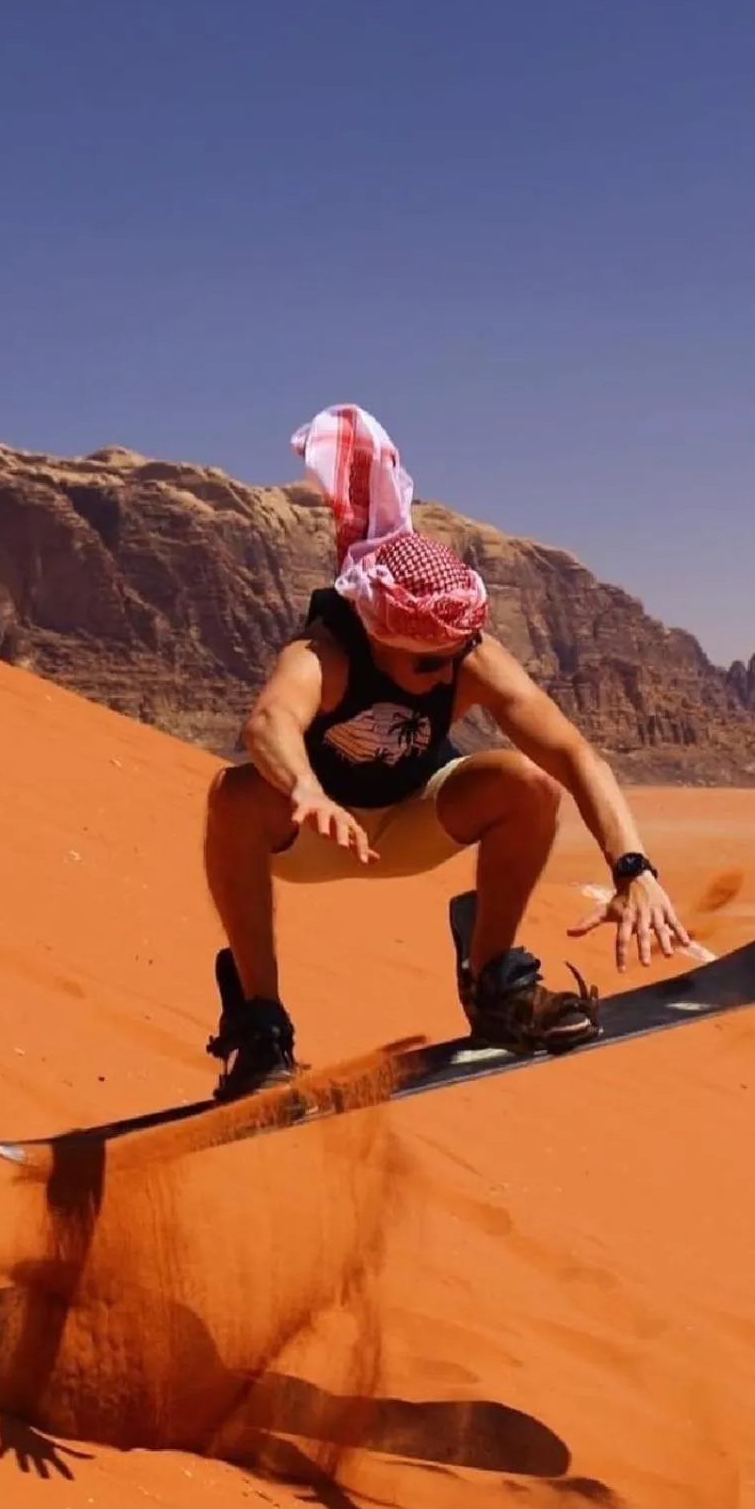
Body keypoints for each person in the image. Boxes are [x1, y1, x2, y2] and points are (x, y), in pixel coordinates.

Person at [201, 403, 691, 1101]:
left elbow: (574, 754)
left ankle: (494, 984)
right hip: (314, 832)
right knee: (232, 796)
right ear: (380, 637)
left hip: (414, 820)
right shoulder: (324, 654)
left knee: (529, 784)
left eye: (455, 656)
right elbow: (270, 721)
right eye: (427, 664)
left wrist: (632, 865)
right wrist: (305, 789)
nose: (446, 675)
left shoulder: (467, 658)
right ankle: (260, 1025)